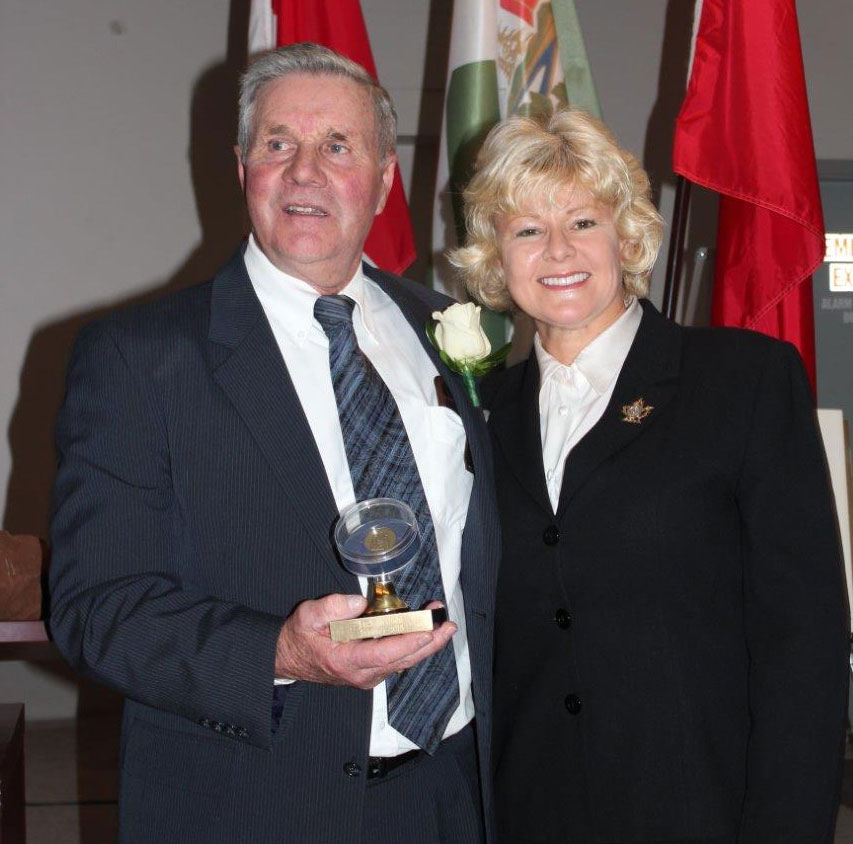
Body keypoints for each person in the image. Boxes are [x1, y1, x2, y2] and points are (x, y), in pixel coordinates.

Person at [49, 44, 500, 844]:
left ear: (385, 180)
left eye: (338, 146)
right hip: (248, 804)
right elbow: (96, 608)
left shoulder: (449, 336)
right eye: (277, 144)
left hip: (454, 797)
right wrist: (282, 652)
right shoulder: (138, 357)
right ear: (241, 167)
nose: (304, 172)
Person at [450, 107, 848, 844]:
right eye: (527, 230)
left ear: (626, 235)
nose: (557, 250)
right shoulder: (477, 418)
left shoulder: (740, 383)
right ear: (495, 258)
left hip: (707, 813)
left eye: (582, 222)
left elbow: (806, 643)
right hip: (530, 816)